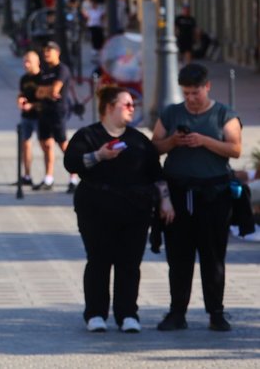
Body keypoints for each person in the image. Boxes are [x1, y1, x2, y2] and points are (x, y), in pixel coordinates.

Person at [64, 86, 175, 333]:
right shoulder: (88, 135)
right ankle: (95, 313)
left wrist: (165, 200)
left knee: (130, 262)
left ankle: (128, 314)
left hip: (135, 210)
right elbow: (71, 162)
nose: (132, 109)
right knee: (99, 260)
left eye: (133, 104)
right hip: (96, 209)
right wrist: (99, 156)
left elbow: (156, 173)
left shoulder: (138, 140)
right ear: (109, 107)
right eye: (126, 104)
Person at [151, 63, 242, 332]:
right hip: (178, 193)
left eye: (195, 92)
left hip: (214, 194)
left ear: (207, 87)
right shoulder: (171, 113)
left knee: (213, 256)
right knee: (179, 256)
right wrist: (173, 142)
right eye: (186, 93)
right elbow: (154, 147)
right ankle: (177, 312)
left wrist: (204, 141)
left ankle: (216, 312)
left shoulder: (224, 114)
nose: (190, 98)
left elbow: (235, 149)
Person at [34, 41, 78, 193]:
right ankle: (49, 178)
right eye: (45, 51)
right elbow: (38, 92)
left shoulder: (62, 69)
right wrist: (47, 91)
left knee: (63, 144)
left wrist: (47, 91)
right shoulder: (45, 70)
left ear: (57, 53)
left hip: (58, 111)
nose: (46, 54)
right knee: (46, 144)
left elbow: (55, 90)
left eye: (49, 51)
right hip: (44, 111)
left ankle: (74, 178)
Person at [17, 51, 42, 187]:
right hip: (26, 116)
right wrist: (20, 100)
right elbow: (21, 94)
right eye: (24, 62)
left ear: (37, 62)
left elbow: (46, 100)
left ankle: (48, 177)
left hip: (40, 116)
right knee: (25, 145)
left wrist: (32, 105)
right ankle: (27, 175)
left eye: (29, 62)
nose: (26, 65)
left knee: (46, 146)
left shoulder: (42, 78)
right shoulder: (24, 79)